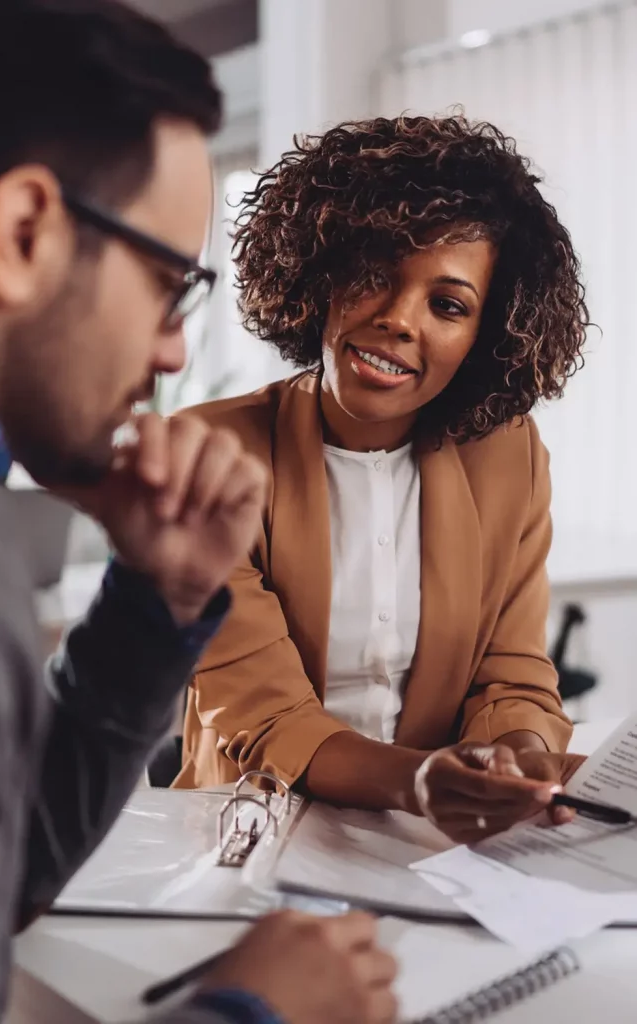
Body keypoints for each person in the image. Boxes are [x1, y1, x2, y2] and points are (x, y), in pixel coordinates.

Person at [0, 3, 397, 1024]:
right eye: (166, 285)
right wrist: (255, 1011)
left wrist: (158, 598)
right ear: (22, 232)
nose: (169, 354)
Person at [176, 115, 589, 843]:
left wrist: (518, 765)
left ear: (486, 335)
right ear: (324, 268)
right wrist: (421, 781)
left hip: (427, 848)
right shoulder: (208, 451)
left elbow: (513, 676)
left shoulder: (509, 457)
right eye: (377, 273)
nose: (399, 319)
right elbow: (263, 717)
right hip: (244, 834)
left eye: (448, 305)